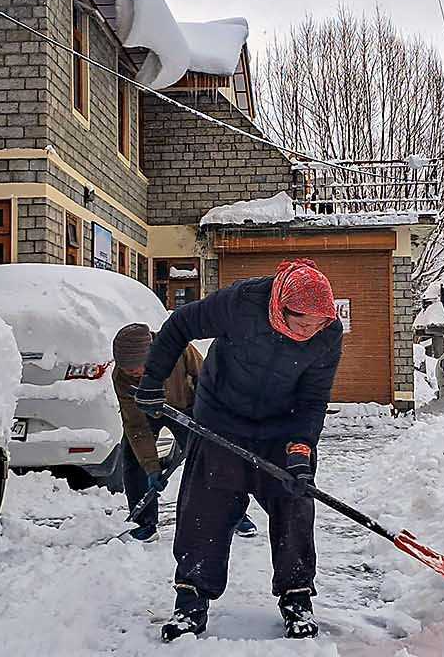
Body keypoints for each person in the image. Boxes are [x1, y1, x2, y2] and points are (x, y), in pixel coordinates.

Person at [135, 259, 343, 641]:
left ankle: (296, 597)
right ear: (280, 307)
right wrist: (152, 379)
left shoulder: (327, 335)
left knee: (295, 502)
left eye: (318, 325)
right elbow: (180, 325)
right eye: (302, 324)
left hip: (281, 427)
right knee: (204, 510)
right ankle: (191, 601)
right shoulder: (243, 303)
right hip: (221, 420)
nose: (309, 333)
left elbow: (313, 399)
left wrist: (301, 451)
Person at [110, 323, 257, 542]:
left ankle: (235, 514)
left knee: (211, 458)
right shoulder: (122, 379)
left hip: (186, 406)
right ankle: (145, 522)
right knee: (133, 459)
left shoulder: (178, 350)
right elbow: (136, 426)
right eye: (128, 370)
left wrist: (207, 416)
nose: (134, 375)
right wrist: (151, 467)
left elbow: (207, 379)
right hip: (146, 412)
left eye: (137, 368)